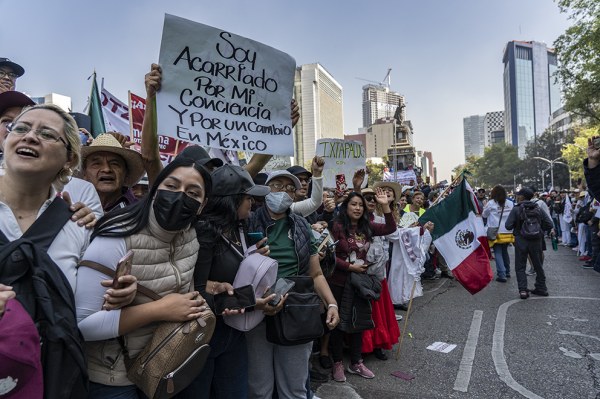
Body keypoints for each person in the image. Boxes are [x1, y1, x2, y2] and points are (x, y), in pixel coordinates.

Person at [0, 104, 133, 398]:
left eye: (47, 134)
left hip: (53, 377)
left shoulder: (79, 224)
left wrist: (120, 292)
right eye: (20, 129)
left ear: (69, 159)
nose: (30, 137)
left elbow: (89, 301)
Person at [75, 156, 213, 399]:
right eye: (171, 186)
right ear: (154, 189)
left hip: (165, 368)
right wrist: (160, 310)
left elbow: (184, 297)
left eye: (193, 193)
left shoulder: (190, 236)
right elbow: (82, 326)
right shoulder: (116, 238)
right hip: (114, 378)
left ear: (202, 205)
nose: (180, 196)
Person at [245, 170, 339, 399]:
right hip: (255, 310)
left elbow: (315, 274)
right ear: (265, 190)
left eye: (289, 188)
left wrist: (332, 304)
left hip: (294, 310)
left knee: (294, 389)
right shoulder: (246, 222)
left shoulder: (302, 227)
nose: (283, 192)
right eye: (277, 185)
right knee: (259, 389)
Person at [180, 164, 272, 399]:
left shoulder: (241, 228)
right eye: (247, 198)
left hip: (234, 335)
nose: (252, 203)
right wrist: (253, 302)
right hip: (204, 337)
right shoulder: (205, 233)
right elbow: (198, 294)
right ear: (231, 200)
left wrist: (254, 260)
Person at [329, 189, 396, 382]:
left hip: (360, 284)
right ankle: (337, 363)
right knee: (337, 324)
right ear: (346, 206)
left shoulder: (368, 226)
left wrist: (385, 206)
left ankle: (356, 362)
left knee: (358, 322)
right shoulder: (337, 226)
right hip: (338, 282)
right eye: (353, 204)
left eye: (360, 205)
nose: (358, 208)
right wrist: (349, 267)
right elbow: (329, 256)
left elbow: (390, 228)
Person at [359, 187, 400, 362]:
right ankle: (360, 346)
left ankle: (377, 343)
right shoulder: (352, 220)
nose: (370, 201)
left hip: (377, 274)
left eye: (373, 199)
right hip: (358, 274)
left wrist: (386, 206)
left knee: (378, 312)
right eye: (366, 198)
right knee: (362, 311)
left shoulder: (378, 220)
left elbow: (393, 231)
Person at [505, 187, 555, 299]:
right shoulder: (537, 207)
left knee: (520, 266)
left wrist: (518, 228)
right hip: (536, 240)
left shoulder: (516, 209)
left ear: (522, 196)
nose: (517, 197)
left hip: (521, 240)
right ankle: (541, 287)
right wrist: (539, 230)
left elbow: (508, 225)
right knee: (538, 264)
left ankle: (523, 290)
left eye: (518, 195)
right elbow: (549, 224)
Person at [81, 133, 146, 212]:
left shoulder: (140, 212)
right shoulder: (73, 205)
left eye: (114, 164)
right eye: (97, 164)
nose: (107, 169)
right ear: (84, 173)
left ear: (125, 173)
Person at [482, 185, 514, 282]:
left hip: (495, 232)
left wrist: (485, 205)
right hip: (508, 232)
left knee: (498, 252)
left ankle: (502, 274)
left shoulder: (491, 203)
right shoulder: (510, 203)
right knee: (505, 251)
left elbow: (484, 215)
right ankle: (507, 271)